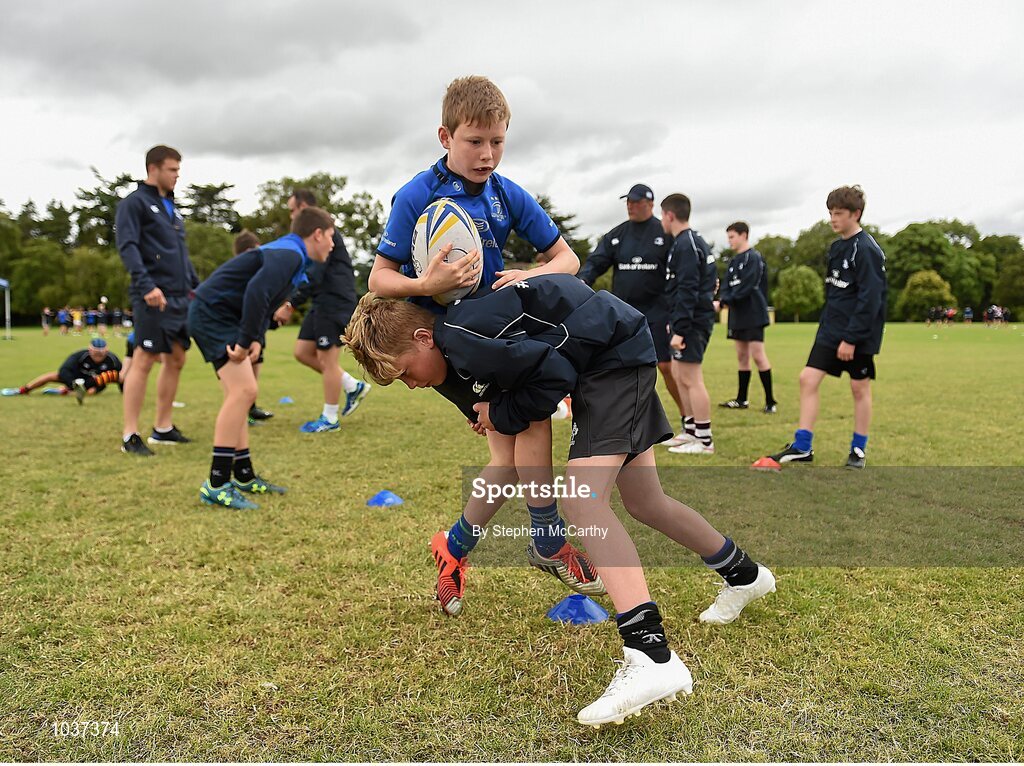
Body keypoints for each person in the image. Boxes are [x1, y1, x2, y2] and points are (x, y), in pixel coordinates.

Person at [344, 274, 776, 727]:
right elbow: (521, 403)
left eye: (406, 372)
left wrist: (503, 415)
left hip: (610, 357)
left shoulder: (465, 337)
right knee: (646, 501)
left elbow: (552, 379)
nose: (411, 385)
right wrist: (499, 415)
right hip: (616, 347)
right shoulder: (454, 347)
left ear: (423, 337)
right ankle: (743, 574)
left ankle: (650, 654)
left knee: (583, 501)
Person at [366, 75, 598, 615]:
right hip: (448, 346)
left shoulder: (507, 193)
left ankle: (457, 546)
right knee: (526, 426)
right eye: (475, 141)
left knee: (509, 452)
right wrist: (426, 287)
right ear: (445, 136)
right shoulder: (417, 193)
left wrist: (531, 276)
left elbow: (568, 260)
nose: (488, 154)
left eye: (498, 141)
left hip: (495, 333)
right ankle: (546, 538)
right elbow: (380, 277)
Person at [189, 207, 335, 509]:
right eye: (331, 237)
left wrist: (253, 337)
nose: (333, 245)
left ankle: (242, 474)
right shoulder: (290, 253)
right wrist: (245, 342)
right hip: (212, 315)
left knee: (239, 394)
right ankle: (216, 483)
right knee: (244, 391)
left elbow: (260, 296)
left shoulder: (292, 255)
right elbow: (257, 292)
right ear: (317, 234)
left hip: (219, 315)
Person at [759, 185, 887, 470]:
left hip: (859, 334)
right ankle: (803, 446)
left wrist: (851, 339)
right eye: (830, 213)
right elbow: (835, 295)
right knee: (808, 379)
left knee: (859, 388)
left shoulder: (867, 250)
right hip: (831, 330)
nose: (833, 219)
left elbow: (871, 299)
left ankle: (858, 449)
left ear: (856, 214)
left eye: (838, 213)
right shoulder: (836, 247)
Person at [577, 184, 689, 443]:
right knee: (622, 369)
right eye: (628, 201)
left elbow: (684, 267)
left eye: (636, 201)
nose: (630, 205)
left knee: (665, 366)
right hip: (625, 315)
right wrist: (581, 282)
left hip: (658, 312)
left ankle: (688, 421)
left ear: (650, 204)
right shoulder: (617, 235)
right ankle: (626, 424)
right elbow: (595, 263)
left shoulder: (665, 233)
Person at [115, 145, 199, 456]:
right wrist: (146, 284)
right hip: (151, 295)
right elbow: (128, 246)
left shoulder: (172, 208)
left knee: (177, 359)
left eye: (178, 170)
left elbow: (181, 256)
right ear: (154, 169)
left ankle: (163, 428)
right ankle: (130, 435)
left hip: (180, 298)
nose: (177, 176)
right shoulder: (133, 204)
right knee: (144, 359)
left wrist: (197, 288)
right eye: (172, 170)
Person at [272, 190, 369, 433]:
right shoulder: (313, 233)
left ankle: (330, 419)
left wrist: (290, 304)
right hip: (320, 301)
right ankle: (351, 385)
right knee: (302, 351)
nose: (291, 215)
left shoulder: (322, 233)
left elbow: (313, 275)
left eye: (292, 210)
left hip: (334, 301)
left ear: (303, 207)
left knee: (328, 361)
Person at [660, 194, 717, 455]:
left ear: (669, 215)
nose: (662, 220)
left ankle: (704, 441)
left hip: (693, 323)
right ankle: (690, 431)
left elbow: (689, 289)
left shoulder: (688, 244)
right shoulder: (683, 243)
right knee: (680, 375)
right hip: (682, 320)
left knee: (692, 378)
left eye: (662, 215)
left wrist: (680, 328)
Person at [716, 222, 777, 413]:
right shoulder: (734, 261)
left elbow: (747, 287)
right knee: (741, 356)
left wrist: (725, 302)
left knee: (758, 356)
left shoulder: (754, 258)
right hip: (737, 315)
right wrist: (722, 299)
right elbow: (727, 286)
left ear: (744, 235)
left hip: (753, 314)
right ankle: (742, 399)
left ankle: (770, 401)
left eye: (732, 236)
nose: (730, 241)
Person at [232, 230, 275, 423]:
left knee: (256, 363)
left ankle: (251, 407)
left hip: (257, 329)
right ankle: (241, 408)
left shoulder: (259, 273)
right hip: (242, 330)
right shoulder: (238, 275)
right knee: (242, 369)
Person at [3, 338, 122, 404]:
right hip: (74, 378)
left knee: (90, 391)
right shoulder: (80, 355)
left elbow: (122, 375)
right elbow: (64, 370)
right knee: (50, 376)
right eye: (96, 353)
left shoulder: (112, 360)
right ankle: (23, 390)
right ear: (90, 350)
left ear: (106, 351)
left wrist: (124, 390)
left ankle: (63, 392)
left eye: (101, 354)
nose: (98, 356)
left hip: (96, 382)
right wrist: (74, 385)